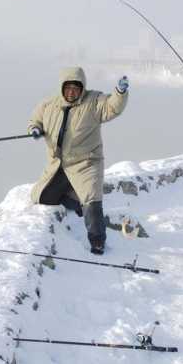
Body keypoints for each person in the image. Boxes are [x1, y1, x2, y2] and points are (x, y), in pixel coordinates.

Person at [28, 67, 129, 255]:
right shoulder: (49, 104)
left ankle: (97, 240)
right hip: (58, 164)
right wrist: (35, 128)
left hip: (86, 163)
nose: (72, 92)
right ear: (62, 88)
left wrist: (120, 92)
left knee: (92, 200)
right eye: (68, 88)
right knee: (42, 197)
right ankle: (76, 201)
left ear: (82, 88)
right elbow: (36, 119)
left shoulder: (94, 102)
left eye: (76, 88)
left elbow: (112, 107)